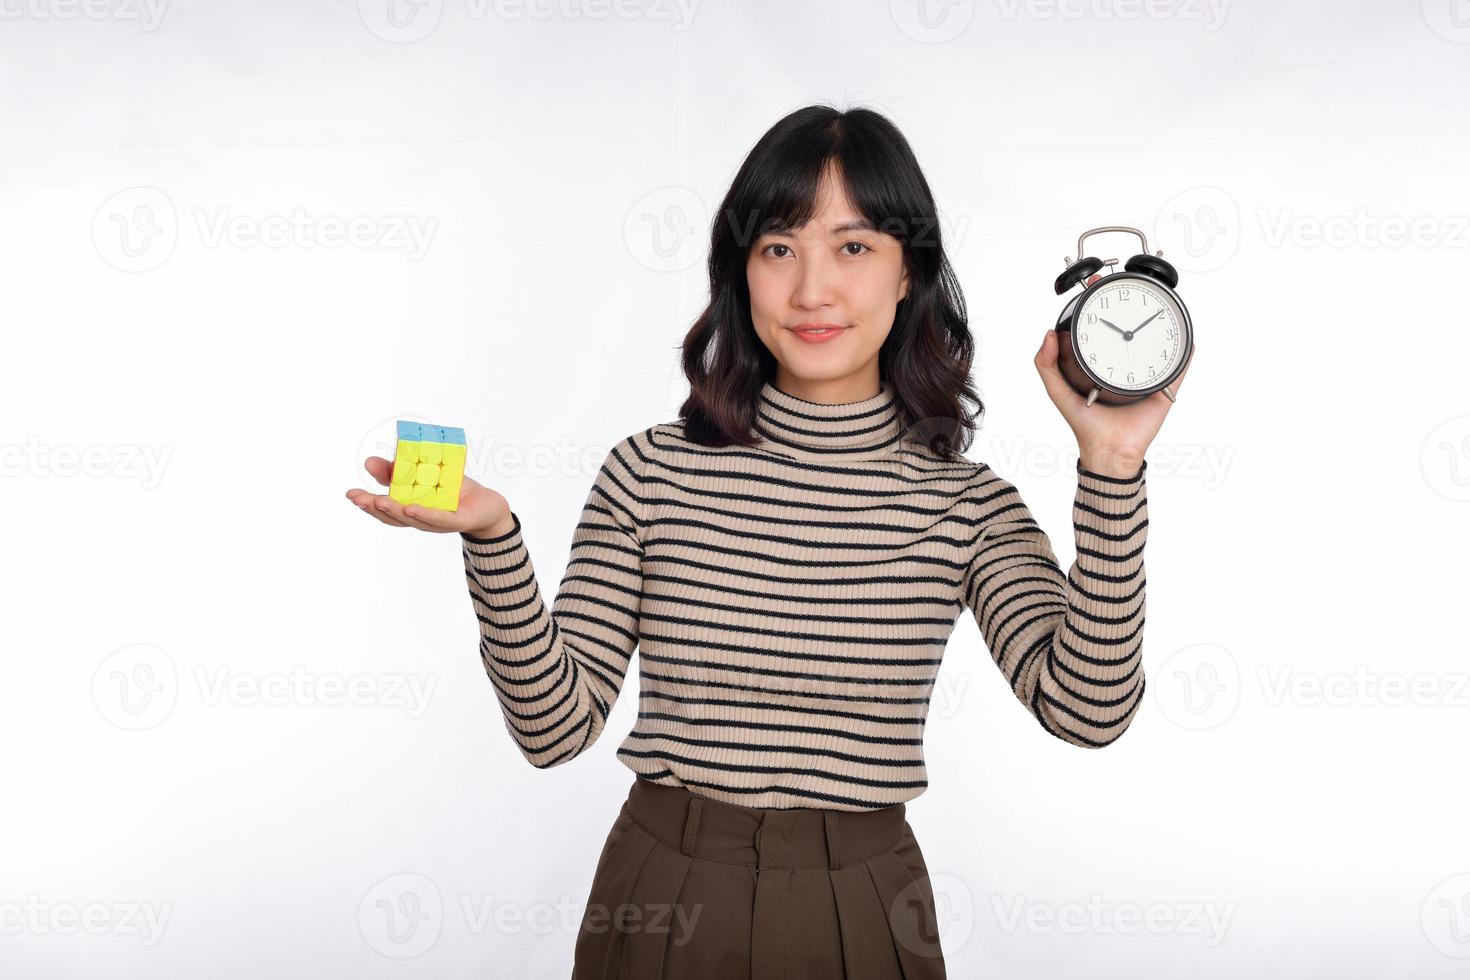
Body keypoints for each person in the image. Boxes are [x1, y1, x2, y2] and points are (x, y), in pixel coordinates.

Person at [346, 104, 1191, 979]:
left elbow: (1089, 712)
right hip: (662, 896)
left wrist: (1113, 471)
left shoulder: (965, 505)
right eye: (778, 247)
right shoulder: (650, 472)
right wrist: (493, 538)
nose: (811, 290)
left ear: (910, 275)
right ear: (740, 272)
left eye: (853, 248)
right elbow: (553, 729)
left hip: (863, 906)